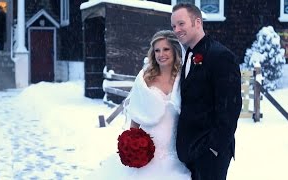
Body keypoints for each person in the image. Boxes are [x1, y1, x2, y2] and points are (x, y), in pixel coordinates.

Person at [86, 30, 191, 180]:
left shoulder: (184, 79)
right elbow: (135, 116)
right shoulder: (144, 80)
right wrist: (132, 144)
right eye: (157, 50)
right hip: (147, 152)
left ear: (175, 50)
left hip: (174, 154)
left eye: (166, 49)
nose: (161, 54)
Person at [171, 3, 242, 180]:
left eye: (181, 24)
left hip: (210, 156)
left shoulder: (221, 56)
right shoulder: (188, 54)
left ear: (197, 22)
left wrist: (213, 149)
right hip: (190, 152)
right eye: (173, 26)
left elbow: (230, 109)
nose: (176, 30)